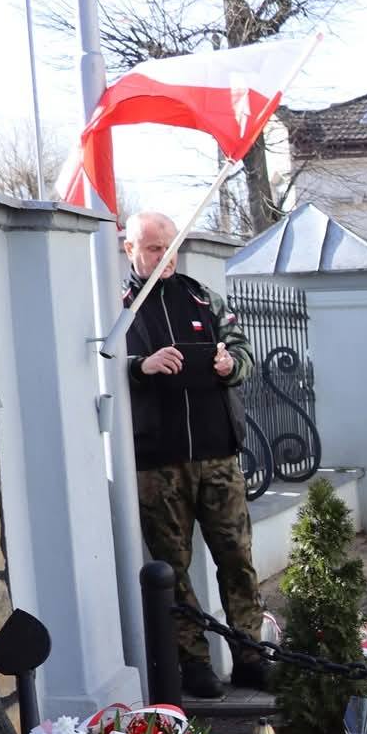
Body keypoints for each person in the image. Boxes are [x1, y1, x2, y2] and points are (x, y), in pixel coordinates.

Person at [120, 210, 264, 701]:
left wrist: (228, 363)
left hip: (218, 454)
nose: (164, 256)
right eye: (153, 248)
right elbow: (99, 362)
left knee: (237, 557)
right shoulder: (118, 306)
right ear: (130, 249)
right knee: (172, 569)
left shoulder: (203, 297)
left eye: (171, 246)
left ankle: (251, 657)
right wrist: (141, 366)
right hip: (157, 462)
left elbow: (244, 354)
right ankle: (194, 663)